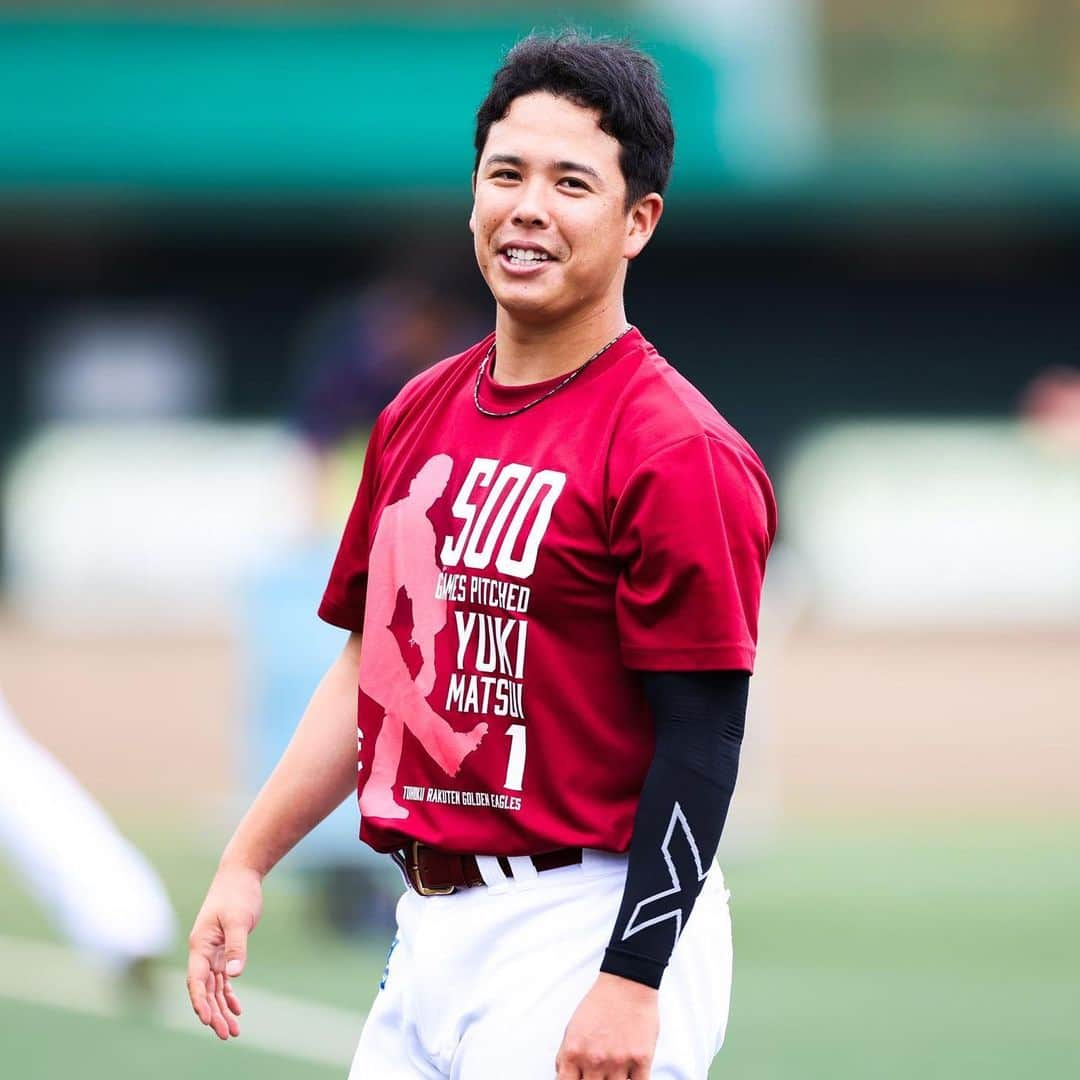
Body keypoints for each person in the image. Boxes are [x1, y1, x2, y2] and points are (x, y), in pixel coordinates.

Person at [187, 31, 776, 1079]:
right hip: (429, 929)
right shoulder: (416, 413)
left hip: (585, 922)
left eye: (571, 182)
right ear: (473, 197)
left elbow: (703, 739)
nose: (529, 207)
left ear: (639, 221)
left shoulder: (676, 450)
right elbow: (371, 670)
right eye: (506, 173)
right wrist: (248, 858)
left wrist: (634, 977)